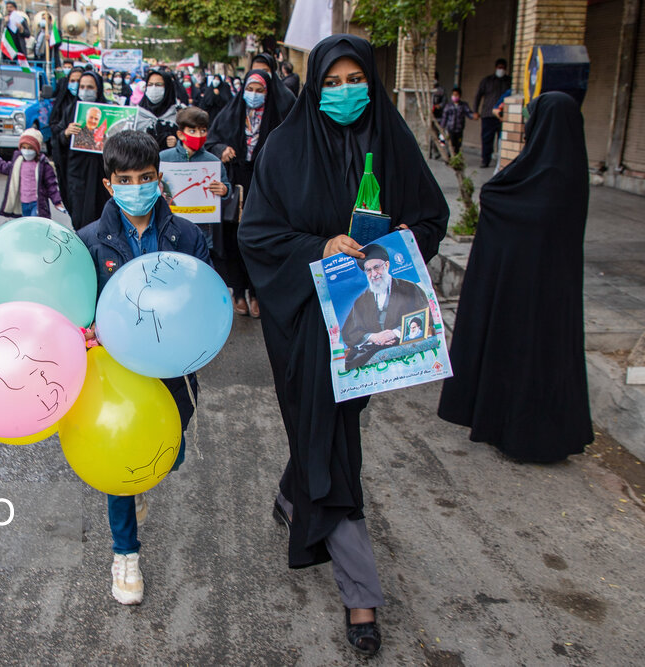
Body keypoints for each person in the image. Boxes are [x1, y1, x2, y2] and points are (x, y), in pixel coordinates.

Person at [237, 34, 448, 657]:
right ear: (314, 86)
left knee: (323, 430)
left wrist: (403, 243)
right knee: (334, 444)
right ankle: (361, 592)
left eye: (356, 80)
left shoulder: (392, 140)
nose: (344, 92)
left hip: (367, 327)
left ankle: (292, 489)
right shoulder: (284, 146)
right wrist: (319, 247)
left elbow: (431, 218)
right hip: (304, 321)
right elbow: (258, 235)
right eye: (331, 82)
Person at [76, 130, 209, 606]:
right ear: (110, 184)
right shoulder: (89, 241)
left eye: (146, 177)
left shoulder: (187, 236)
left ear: (159, 178)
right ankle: (125, 554)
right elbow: (76, 306)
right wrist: (85, 331)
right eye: (126, 179)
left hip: (171, 369)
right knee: (120, 463)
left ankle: (142, 484)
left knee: (172, 454)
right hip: (116, 375)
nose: (137, 186)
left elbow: (203, 300)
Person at [438, 91, 593, 463]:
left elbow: (504, 203)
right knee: (547, 360)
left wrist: (494, 197)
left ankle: (514, 431)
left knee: (517, 354)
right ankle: (547, 434)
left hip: (520, 291)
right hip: (556, 294)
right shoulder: (571, 170)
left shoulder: (543, 174)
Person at [206, 70, 286, 318]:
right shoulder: (230, 114)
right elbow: (211, 141)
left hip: (264, 185)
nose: (254, 95)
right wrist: (222, 149)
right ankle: (238, 292)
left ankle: (257, 293)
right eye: (250, 89)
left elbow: (289, 147)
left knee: (260, 239)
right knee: (233, 240)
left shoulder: (277, 117)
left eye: (260, 90)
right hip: (234, 184)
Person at [340, 244, 432, 370]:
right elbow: (349, 331)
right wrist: (373, 337)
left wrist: (395, 333)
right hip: (372, 350)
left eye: (377, 267)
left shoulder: (409, 288)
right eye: (368, 270)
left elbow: (426, 316)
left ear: (387, 265)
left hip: (403, 344)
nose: (374, 274)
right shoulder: (361, 300)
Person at [159, 106, 233, 254]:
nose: (198, 135)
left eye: (203, 130)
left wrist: (224, 190)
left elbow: (226, 192)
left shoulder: (213, 162)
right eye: (192, 131)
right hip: (168, 228)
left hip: (202, 231)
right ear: (181, 134)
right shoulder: (163, 158)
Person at [62, 70, 110, 229]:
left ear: (98, 89)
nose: (85, 90)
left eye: (90, 87)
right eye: (82, 86)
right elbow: (58, 141)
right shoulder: (70, 110)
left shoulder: (109, 112)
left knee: (103, 214)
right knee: (80, 216)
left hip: (102, 174)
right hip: (78, 174)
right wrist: (66, 134)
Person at [0, 128, 65, 218]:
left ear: (36, 149)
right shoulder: (17, 162)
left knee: (35, 226)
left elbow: (51, 184)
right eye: (24, 147)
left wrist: (57, 201)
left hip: (36, 204)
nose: (27, 151)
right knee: (24, 227)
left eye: (30, 148)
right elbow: (3, 167)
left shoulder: (43, 165)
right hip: (22, 203)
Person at [50, 65, 84, 198]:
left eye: (79, 81)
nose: (76, 85)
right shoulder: (65, 106)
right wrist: (65, 133)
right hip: (70, 162)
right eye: (72, 81)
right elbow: (55, 128)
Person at [473, 58, 510, 168]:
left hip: (502, 116)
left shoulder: (509, 81)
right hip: (488, 114)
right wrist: (475, 111)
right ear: (495, 68)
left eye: (503, 68)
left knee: (502, 139)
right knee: (487, 139)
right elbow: (478, 95)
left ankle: (501, 161)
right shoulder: (487, 81)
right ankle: (485, 160)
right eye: (499, 67)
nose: (501, 70)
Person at [138, 69, 181, 150]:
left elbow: (189, 141)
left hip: (170, 160)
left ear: (168, 87)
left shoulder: (179, 113)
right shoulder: (137, 114)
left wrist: (177, 142)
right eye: (150, 85)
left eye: (159, 85)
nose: (153, 88)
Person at [250, 52, 296, 117]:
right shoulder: (246, 96)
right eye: (255, 71)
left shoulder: (286, 98)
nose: (260, 74)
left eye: (264, 71)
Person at [439, 86, 478, 155]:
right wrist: (442, 127)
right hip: (450, 129)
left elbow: (468, 113)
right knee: (451, 144)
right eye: (453, 95)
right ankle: (450, 157)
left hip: (459, 129)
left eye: (456, 95)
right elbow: (444, 117)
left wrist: (473, 116)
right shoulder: (448, 106)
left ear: (459, 96)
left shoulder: (463, 105)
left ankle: (456, 157)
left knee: (458, 145)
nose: (454, 96)